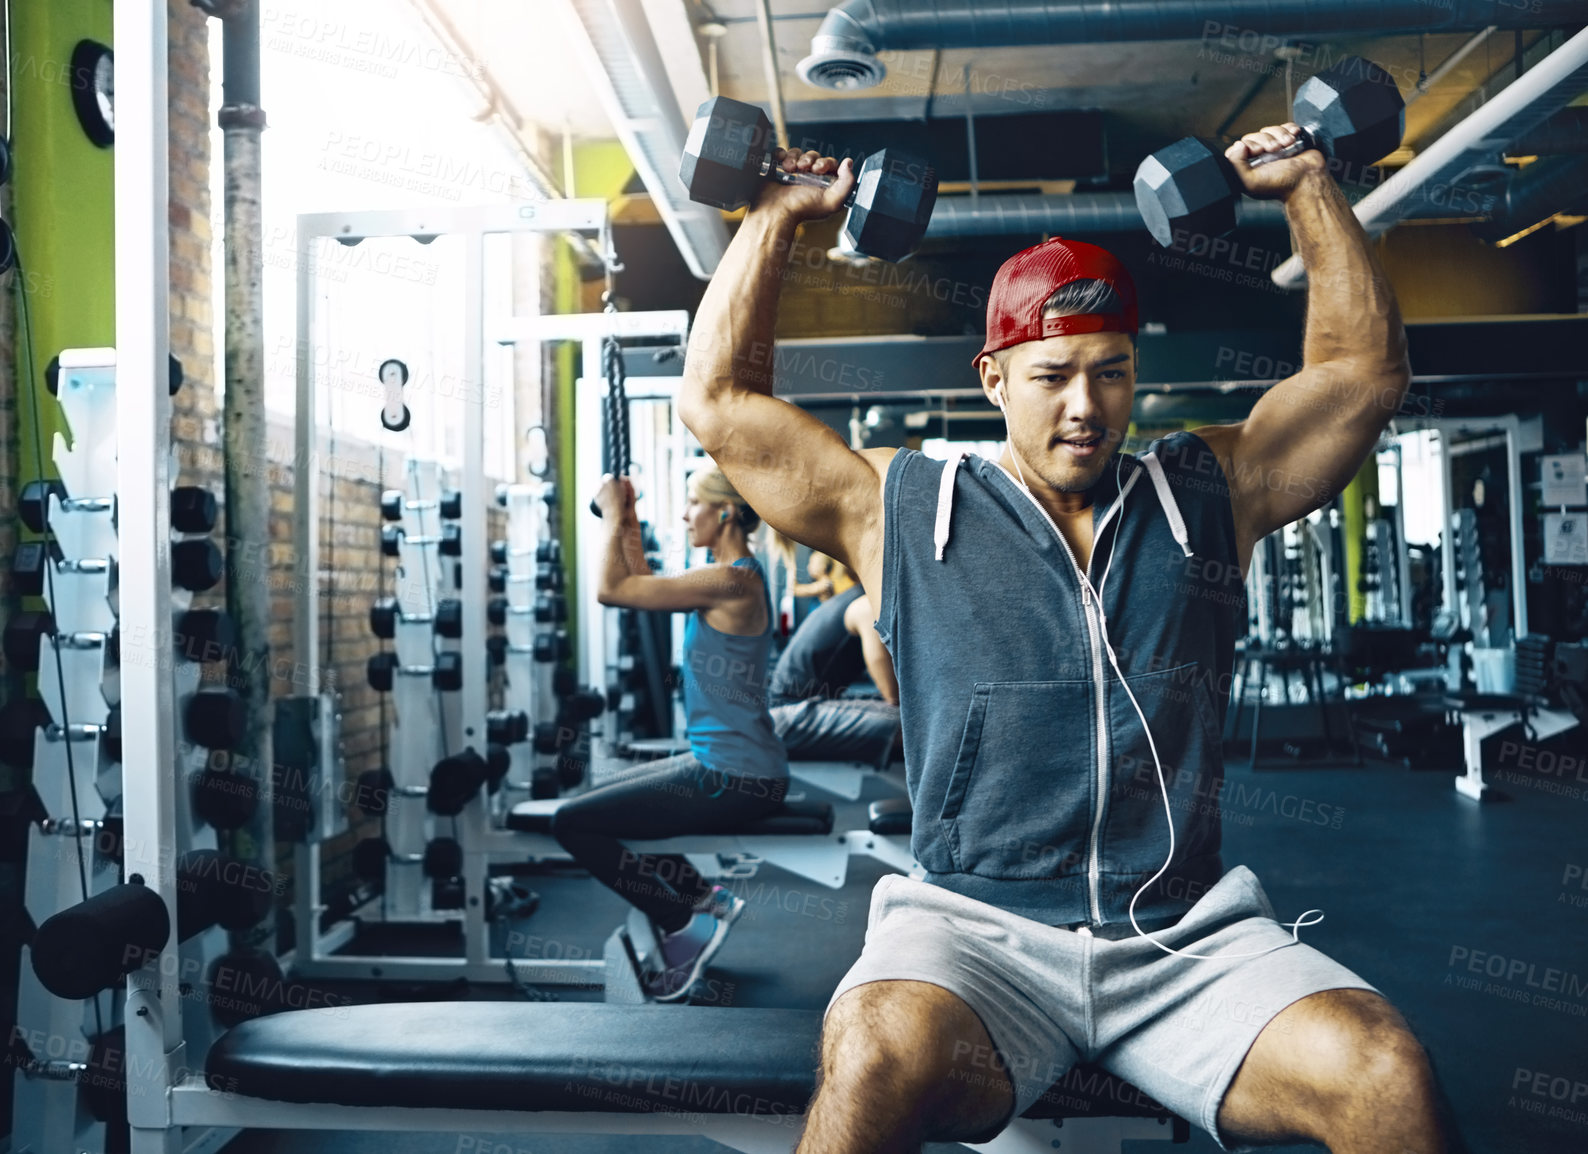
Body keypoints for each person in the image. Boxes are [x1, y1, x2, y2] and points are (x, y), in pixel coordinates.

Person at [677, 124, 1465, 1153]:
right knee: (871, 1053)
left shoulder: (1206, 490)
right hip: (973, 931)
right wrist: (777, 216)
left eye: (1110, 371)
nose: (1085, 406)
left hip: (1183, 936)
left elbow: (1360, 375)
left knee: (1383, 1070)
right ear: (993, 376)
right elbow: (721, 402)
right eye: (1051, 375)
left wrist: (1308, 184)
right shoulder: (902, 504)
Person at [548, 465, 789, 1002]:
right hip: (728, 764)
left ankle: (685, 923)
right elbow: (635, 583)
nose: (683, 516)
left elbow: (612, 590)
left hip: (735, 776)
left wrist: (614, 511)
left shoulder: (732, 581)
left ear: (724, 511)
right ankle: (705, 897)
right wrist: (626, 516)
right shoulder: (725, 574)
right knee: (598, 802)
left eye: (692, 504)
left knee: (572, 823)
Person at [765, 577, 901, 764]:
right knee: (910, 722)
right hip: (790, 714)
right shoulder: (866, 605)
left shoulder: (856, 596)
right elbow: (893, 695)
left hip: (802, 705)